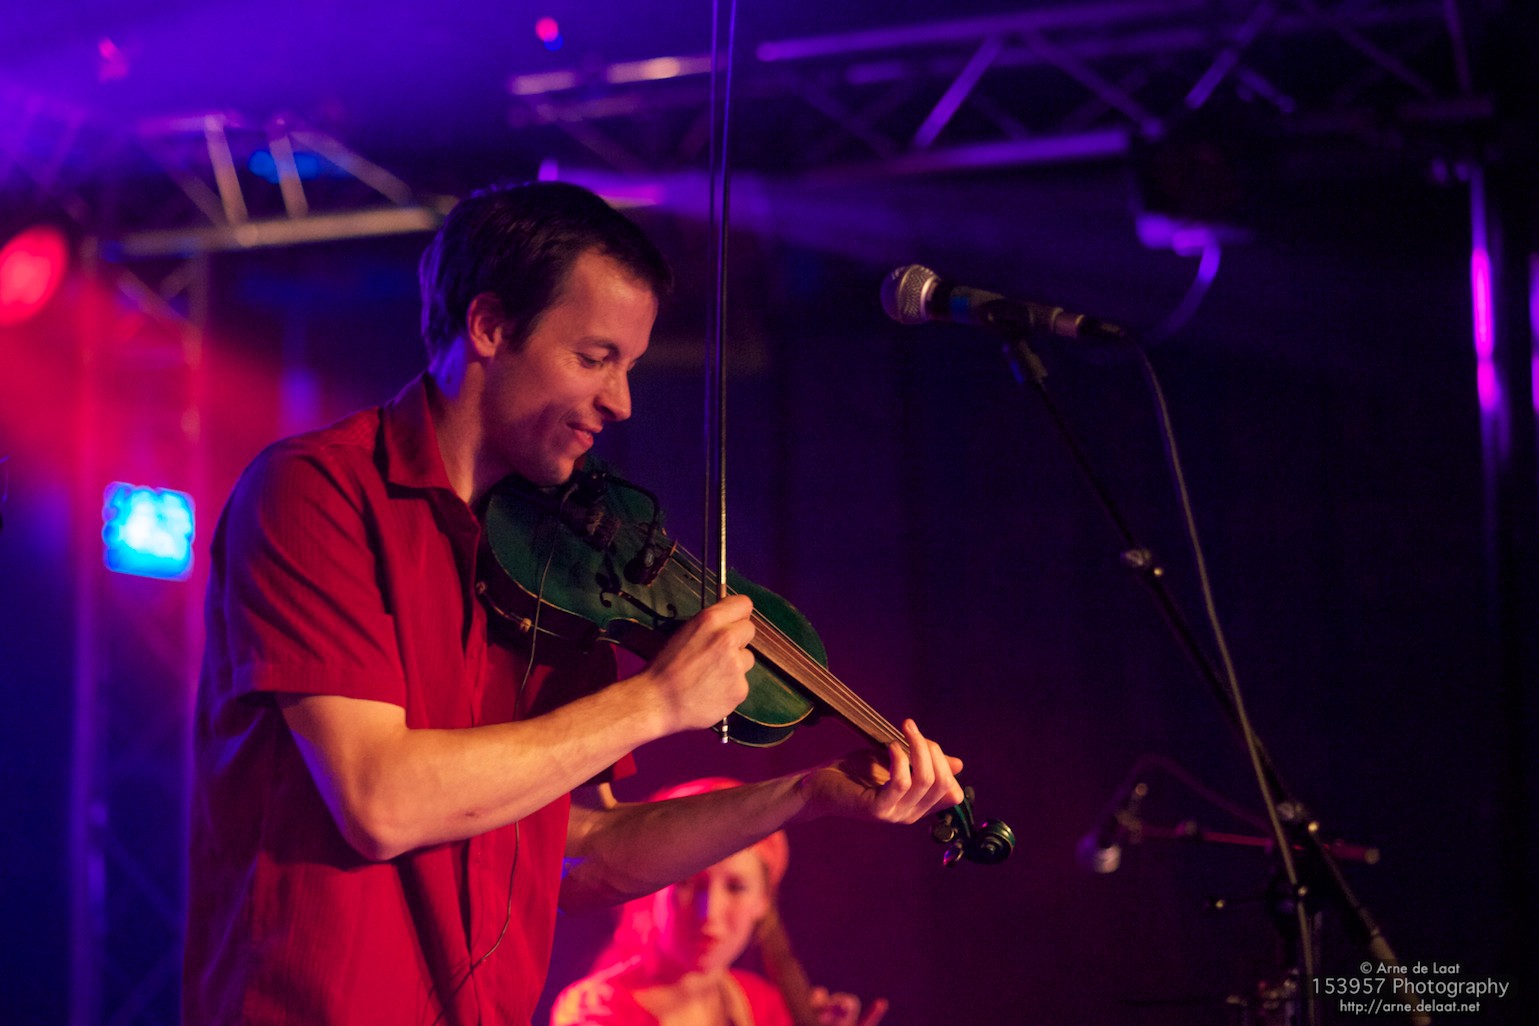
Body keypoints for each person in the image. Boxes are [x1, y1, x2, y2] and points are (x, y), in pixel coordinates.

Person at [183, 180, 962, 1026]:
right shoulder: (317, 492)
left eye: (627, 366)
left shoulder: (564, 558)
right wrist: (655, 702)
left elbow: (582, 853)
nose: (620, 402)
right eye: (594, 358)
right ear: (489, 326)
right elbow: (378, 800)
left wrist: (802, 794)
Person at [550, 778, 889, 1026]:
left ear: (763, 902)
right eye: (686, 882)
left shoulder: (765, 1005)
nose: (708, 913)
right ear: (650, 889)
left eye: (736, 887)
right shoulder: (596, 1010)